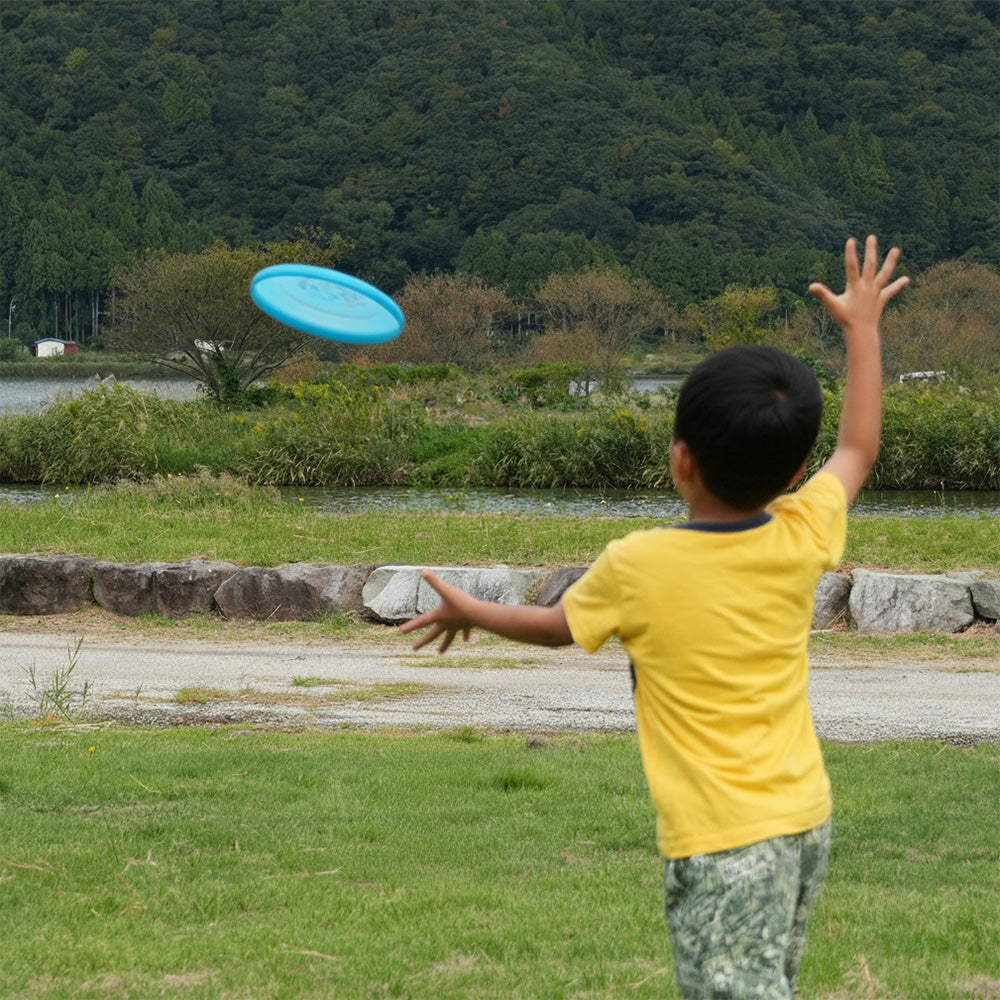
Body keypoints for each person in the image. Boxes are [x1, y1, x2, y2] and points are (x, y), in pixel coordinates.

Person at [400, 236, 909, 999]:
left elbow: (558, 626)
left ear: (680, 460)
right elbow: (859, 447)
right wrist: (862, 330)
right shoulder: (805, 533)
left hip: (722, 843)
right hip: (804, 819)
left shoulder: (639, 564)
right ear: (796, 473)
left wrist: (471, 608)